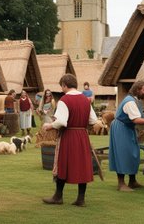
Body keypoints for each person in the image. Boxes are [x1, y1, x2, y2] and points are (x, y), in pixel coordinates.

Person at [41, 74, 98, 207]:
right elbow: (93, 120)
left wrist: (49, 126)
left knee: (62, 164)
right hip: (82, 136)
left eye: (62, 86)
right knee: (82, 165)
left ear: (65, 85)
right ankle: (80, 199)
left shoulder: (64, 100)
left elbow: (61, 121)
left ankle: (58, 197)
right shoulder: (85, 100)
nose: (62, 89)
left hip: (69, 136)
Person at [108, 81, 144, 192]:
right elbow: (136, 119)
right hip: (121, 128)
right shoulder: (130, 102)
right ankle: (121, 183)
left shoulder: (136, 101)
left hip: (128, 128)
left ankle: (132, 181)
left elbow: (138, 118)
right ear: (137, 90)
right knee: (123, 154)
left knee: (134, 153)